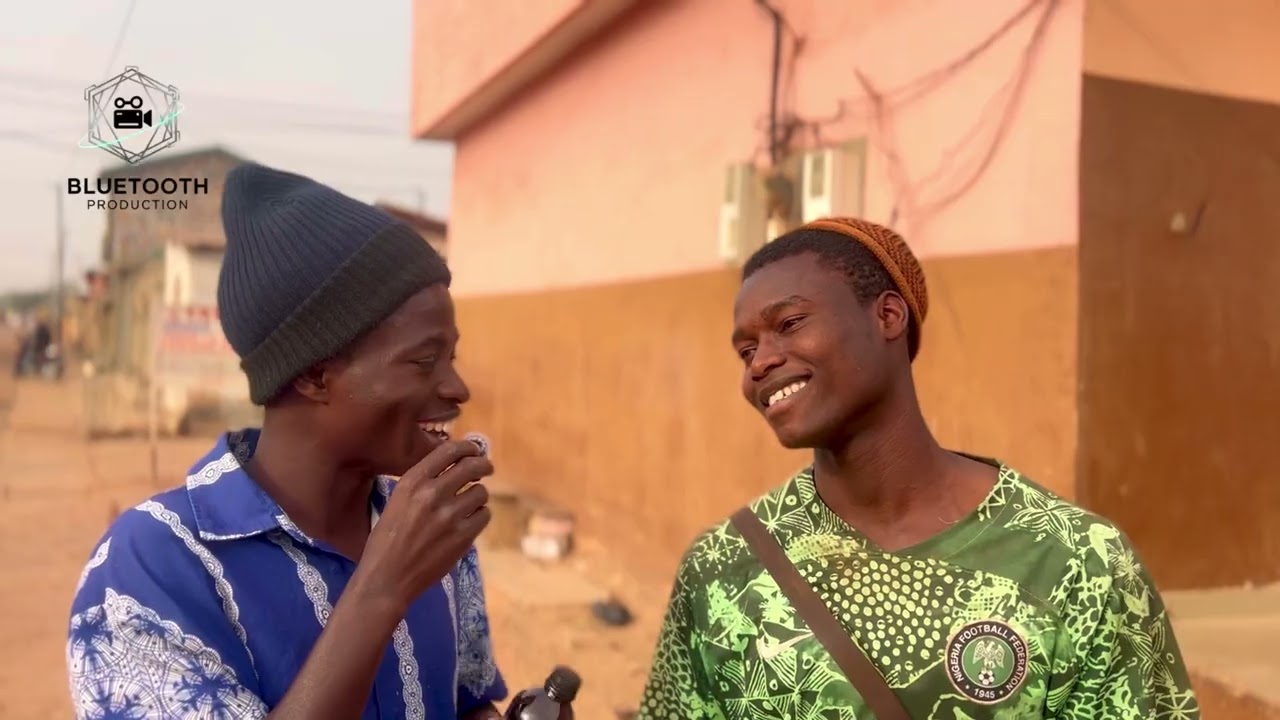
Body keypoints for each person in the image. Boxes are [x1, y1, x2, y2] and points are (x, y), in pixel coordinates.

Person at [637, 218, 1199, 719]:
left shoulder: (1078, 563)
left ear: (887, 315)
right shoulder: (721, 569)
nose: (760, 362)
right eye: (745, 350)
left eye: (789, 323)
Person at [67, 164, 508, 719]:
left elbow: (467, 703)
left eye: (452, 356)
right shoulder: (147, 570)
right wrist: (381, 590)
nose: (456, 387)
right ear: (313, 374)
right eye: (424, 361)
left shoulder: (431, 527)